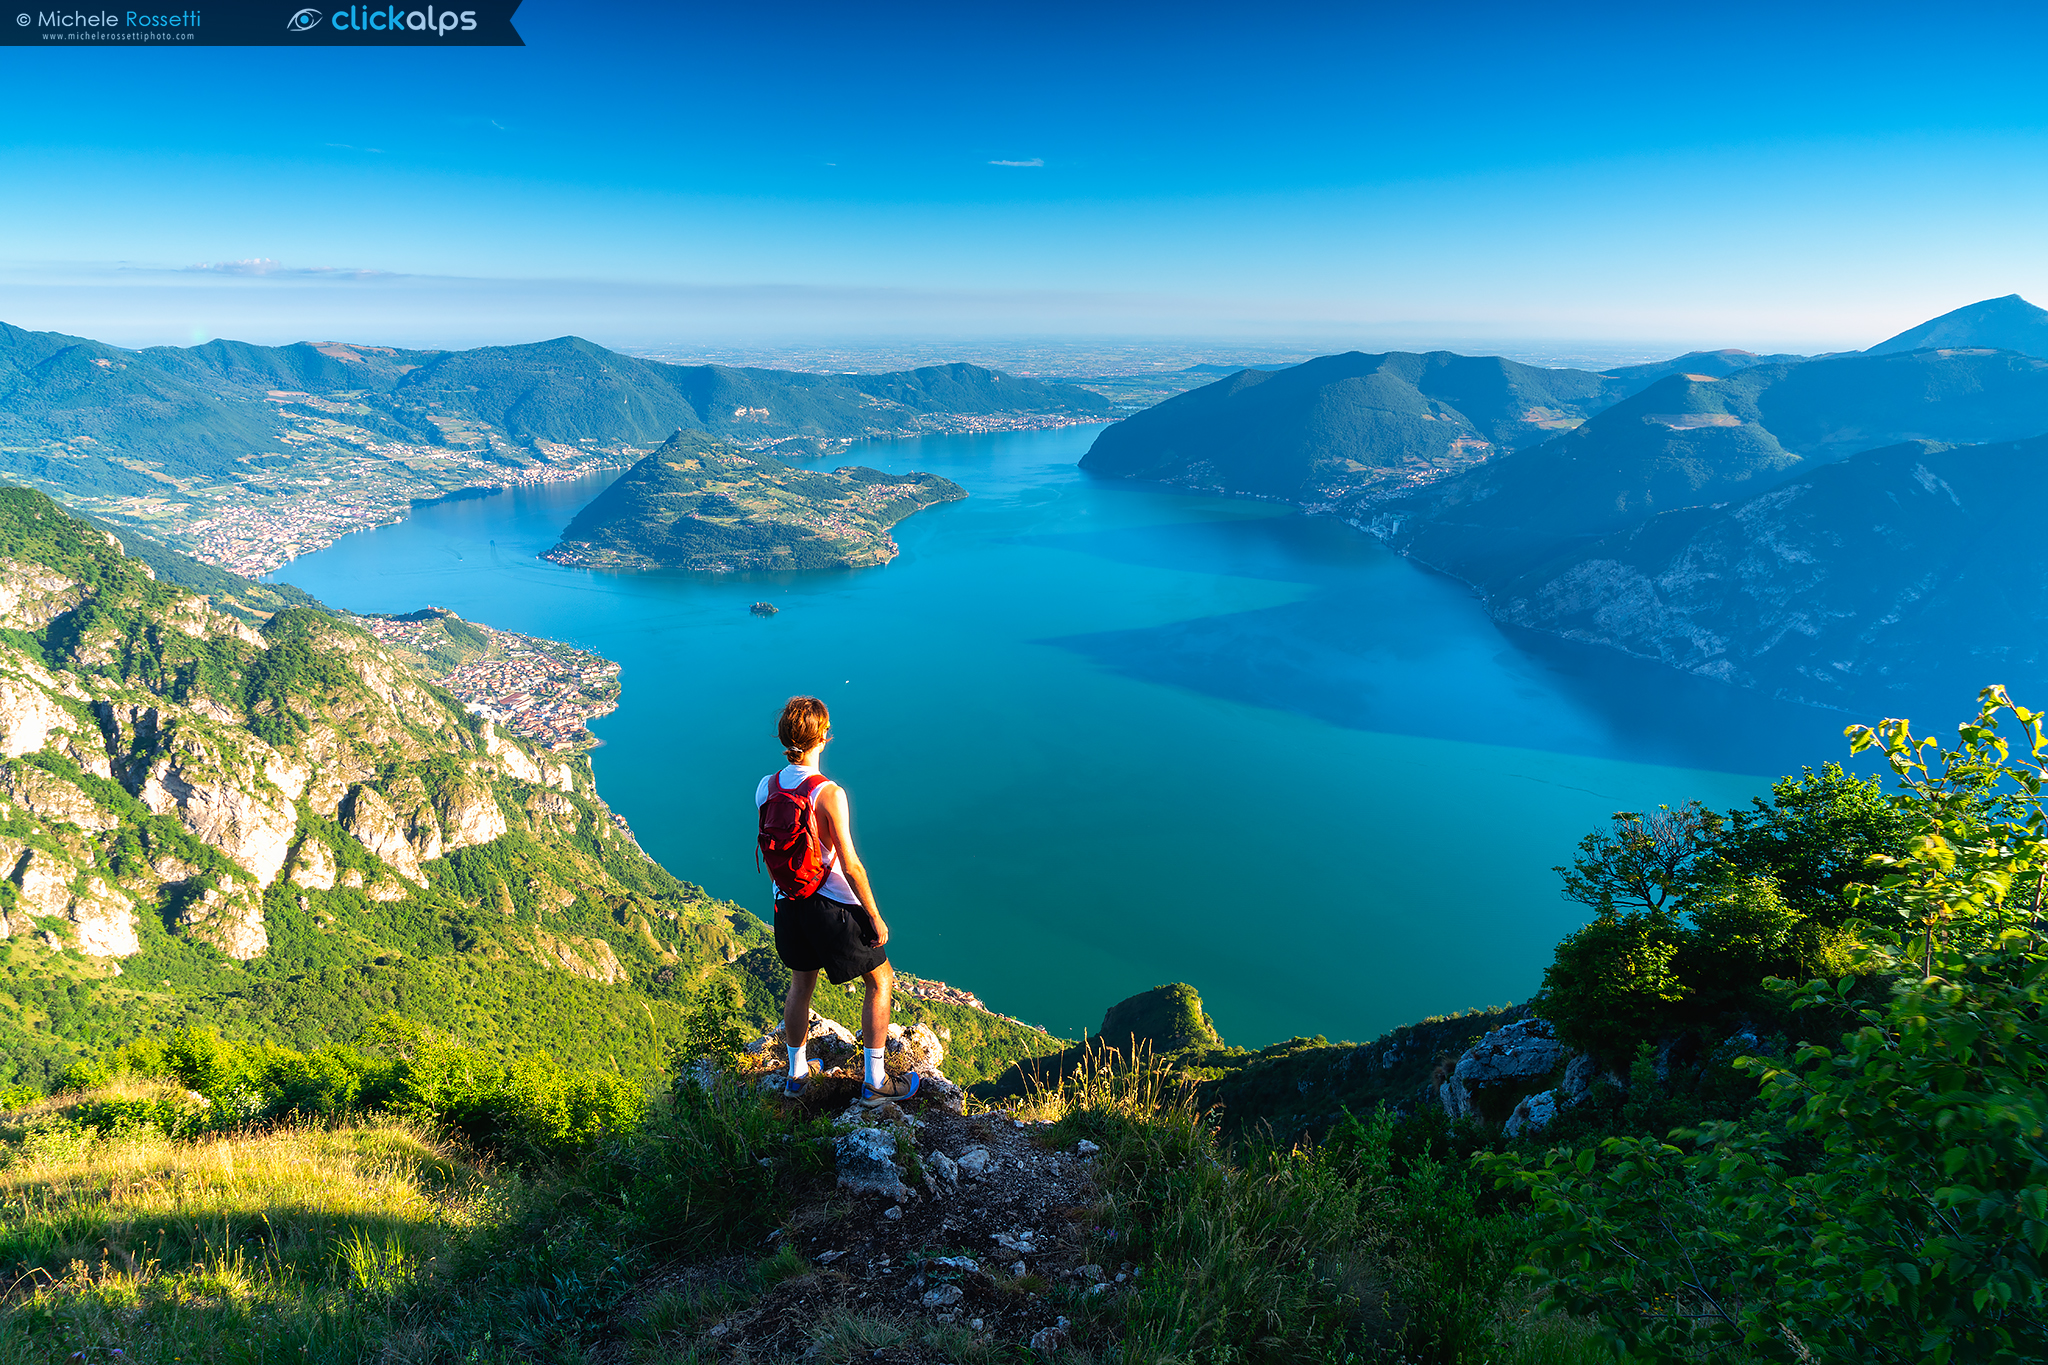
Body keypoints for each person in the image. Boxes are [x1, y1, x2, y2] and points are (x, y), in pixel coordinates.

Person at [757, 696, 920, 1106]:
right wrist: (874, 916)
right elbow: (851, 864)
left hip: (787, 903)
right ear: (823, 739)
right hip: (829, 906)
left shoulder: (766, 787)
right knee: (881, 981)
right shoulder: (828, 793)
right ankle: (876, 1083)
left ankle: (795, 1075)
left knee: (801, 984)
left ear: (784, 739)